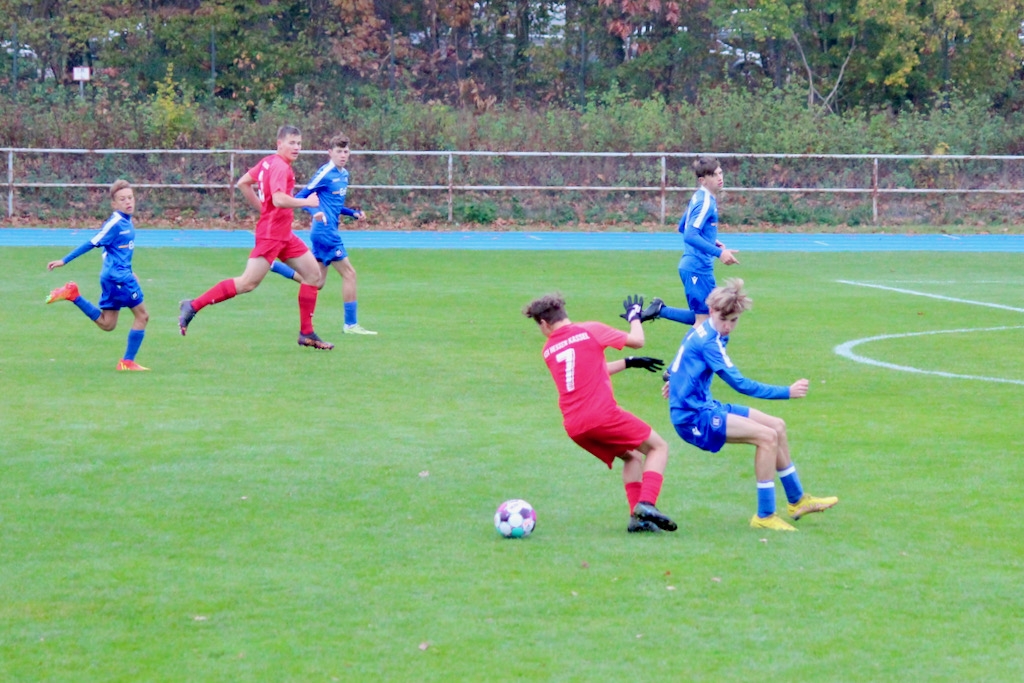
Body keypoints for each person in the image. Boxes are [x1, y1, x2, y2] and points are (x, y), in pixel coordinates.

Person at [663, 279, 837, 531]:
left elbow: (681, 357)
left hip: (705, 406)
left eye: (734, 320)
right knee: (767, 437)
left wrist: (672, 379)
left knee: (777, 426)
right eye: (724, 319)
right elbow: (741, 384)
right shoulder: (709, 342)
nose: (728, 326)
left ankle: (797, 501)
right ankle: (764, 516)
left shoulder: (704, 329)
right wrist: (787, 392)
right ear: (711, 310)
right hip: (693, 418)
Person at [524, 293, 677, 534]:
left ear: (543, 323)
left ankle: (637, 519)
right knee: (658, 447)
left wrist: (628, 362)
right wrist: (634, 317)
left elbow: (591, 369)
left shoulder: (549, 349)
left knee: (632, 457)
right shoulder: (590, 329)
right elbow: (638, 340)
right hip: (602, 416)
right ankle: (647, 504)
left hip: (575, 426)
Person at [177, 125, 334, 349]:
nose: (297, 147)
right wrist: (306, 202)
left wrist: (264, 209)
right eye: (292, 143)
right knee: (247, 283)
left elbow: (243, 183)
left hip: (284, 234)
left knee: (313, 276)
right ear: (279, 143)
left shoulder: (268, 162)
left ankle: (307, 333)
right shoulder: (280, 166)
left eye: (299, 143)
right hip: (271, 236)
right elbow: (279, 199)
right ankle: (192, 306)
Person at [269, 132, 376, 335]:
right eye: (339, 151)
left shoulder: (344, 175)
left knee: (316, 282)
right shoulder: (325, 173)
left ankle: (275, 266)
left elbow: (334, 205)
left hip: (325, 232)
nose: (343, 155)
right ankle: (351, 325)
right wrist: (314, 212)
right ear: (330, 152)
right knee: (349, 274)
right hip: (325, 232)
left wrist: (352, 213)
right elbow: (301, 197)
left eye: (346, 152)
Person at [45, 179, 150, 371]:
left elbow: (109, 251)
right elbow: (92, 243)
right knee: (142, 316)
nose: (128, 202)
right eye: (122, 199)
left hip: (113, 276)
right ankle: (127, 362)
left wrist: (128, 270)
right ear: (114, 204)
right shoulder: (115, 223)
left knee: (108, 324)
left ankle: (73, 295)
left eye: (130, 197)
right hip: (119, 279)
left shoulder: (126, 221)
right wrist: (64, 260)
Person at [646, 156, 739, 329]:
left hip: (699, 267)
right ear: (703, 180)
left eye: (720, 173)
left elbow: (683, 226)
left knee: (710, 317)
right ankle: (685, 346)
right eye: (713, 175)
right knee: (704, 322)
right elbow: (689, 235)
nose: (719, 178)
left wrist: (711, 241)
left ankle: (660, 310)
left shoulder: (700, 197)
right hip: (696, 268)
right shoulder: (705, 202)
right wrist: (719, 253)